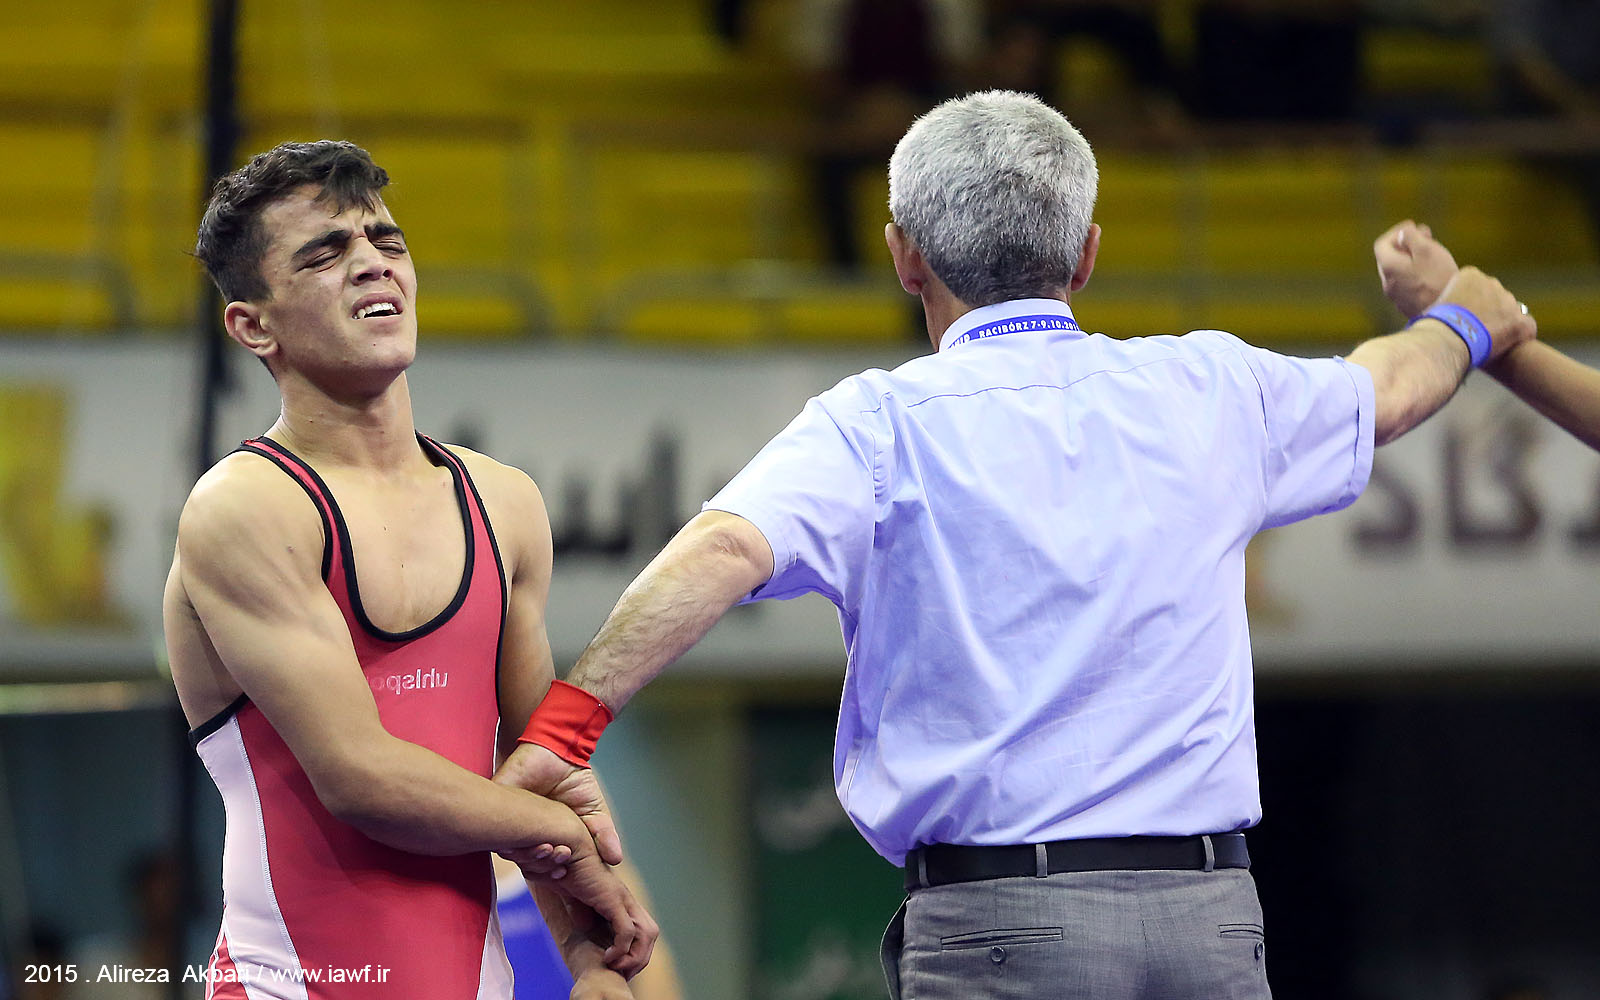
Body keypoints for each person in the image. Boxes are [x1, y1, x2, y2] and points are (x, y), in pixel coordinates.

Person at [496, 90, 1534, 998]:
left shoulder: (876, 424)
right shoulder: (1208, 387)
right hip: (1208, 921)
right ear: (1085, 254)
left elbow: (721, 551)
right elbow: (1391, 390)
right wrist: (1463, 319)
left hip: (1001, 922)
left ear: (904, 254)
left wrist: (564, 730)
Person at [165, 140, 656, 999]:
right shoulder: (246, 507)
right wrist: (567, 841)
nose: (372, 263)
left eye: (385, 240)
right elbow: (362, 779)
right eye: (325, 253)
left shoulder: (503, 503)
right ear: (253, 326)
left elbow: (537, 757)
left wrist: (587, 951)